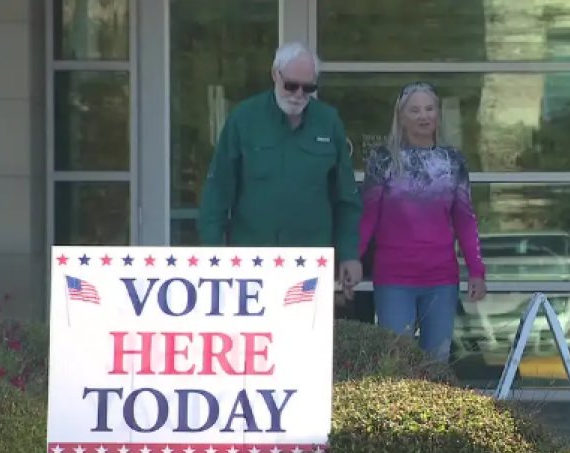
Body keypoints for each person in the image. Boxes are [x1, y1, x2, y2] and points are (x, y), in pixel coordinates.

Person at [197, 42, 363, 294]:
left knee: (304, 332)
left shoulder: (328, 122)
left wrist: (349, 253)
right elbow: (218, 190)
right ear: (275, 74)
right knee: (254, 333)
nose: (298, 94)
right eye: (291, 85)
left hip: (310, 261)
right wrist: (212, 252)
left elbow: (346, 196)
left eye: (308, 88)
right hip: (251, 260)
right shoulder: (244, 119)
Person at [359, 81, 487, 362]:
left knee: (437, 362)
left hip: (441, 278)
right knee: (395, 362)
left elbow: (465, 219)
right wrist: (352, 259)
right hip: (394, 278)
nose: (423, 116)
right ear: (401, 117)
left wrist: (476, 270)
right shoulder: (383, 160)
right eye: (415, 110)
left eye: (429, 109)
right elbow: (367, 217)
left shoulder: (453, 161)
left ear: (438, 114)